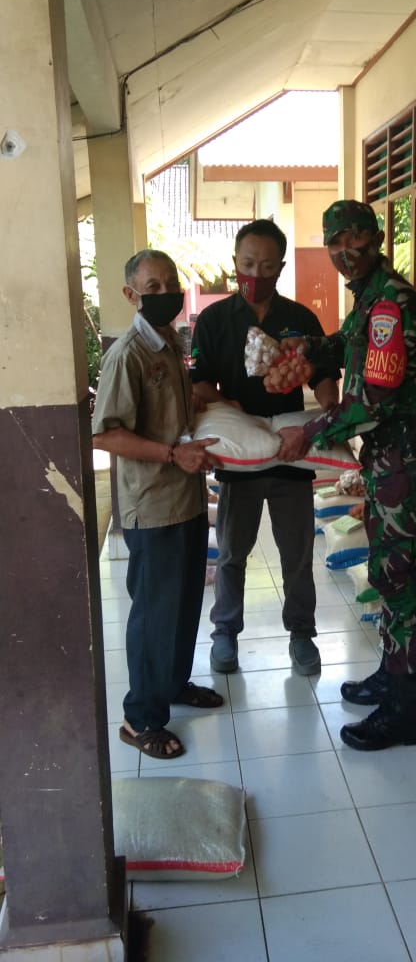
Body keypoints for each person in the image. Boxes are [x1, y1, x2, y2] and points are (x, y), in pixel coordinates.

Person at [274, 200, 416, 750]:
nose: (344, 251)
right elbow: (344, 344)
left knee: (402, 578)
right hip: (390, 458)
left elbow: (372, 400)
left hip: (408, 457)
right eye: (334, 241)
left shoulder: (391, 305)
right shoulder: (369, 299)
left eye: (354, 238)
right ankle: (391, 671)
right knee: (389, 571)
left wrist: (310, 432)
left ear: (375, 238)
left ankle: (403, 710)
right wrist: (308, 345)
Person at [190, 219, 339, 676]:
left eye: (268, 265)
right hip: (240, 457)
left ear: (281, 267)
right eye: (248, 263)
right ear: (235, 263)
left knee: (297, 555)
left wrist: (328, 416)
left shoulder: (300, 319)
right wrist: (226, 404)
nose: (256, 273)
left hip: (291, 453)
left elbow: (324, 377)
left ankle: (302, 635)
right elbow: (199, 383)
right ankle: (225, 633)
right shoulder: (215, 320)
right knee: (232, 553)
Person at [92, 249, 224, 761]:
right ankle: (140, 718)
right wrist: (172, 454)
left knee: (185, 602)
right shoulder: (127, 355)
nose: (167, 292)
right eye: (153, 287)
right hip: (152, 505)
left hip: (185, 497)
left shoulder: (168, 340)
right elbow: (105, 435)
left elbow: (169, 409)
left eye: (171, 283)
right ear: (132, 295)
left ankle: (171, 684)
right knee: (154, 614)